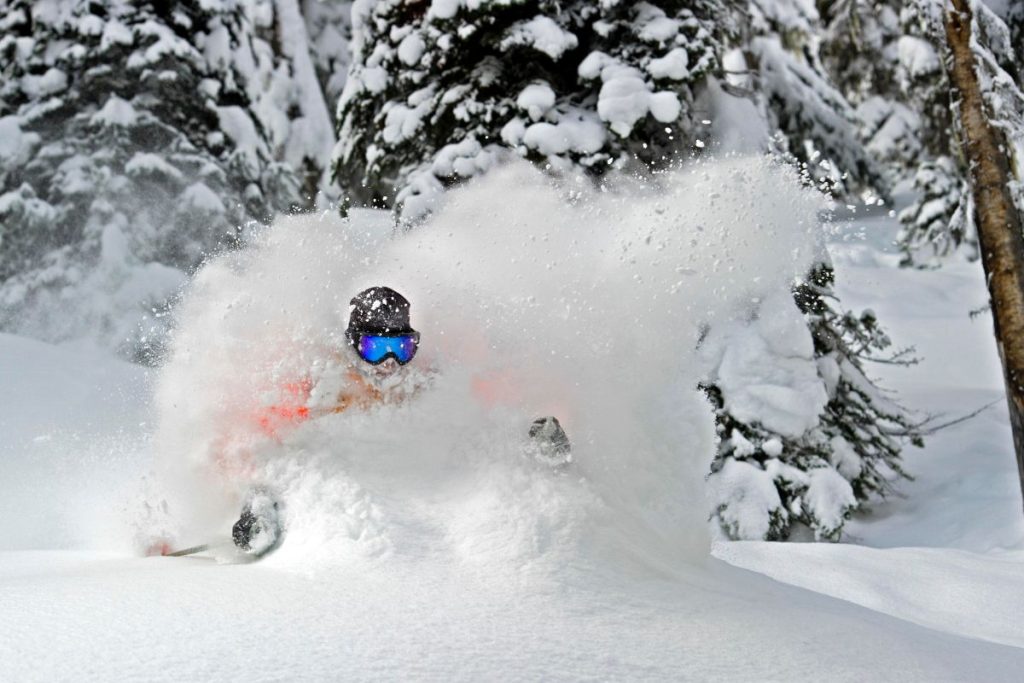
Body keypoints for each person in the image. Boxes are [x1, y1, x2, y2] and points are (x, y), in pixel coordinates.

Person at [230, 285, 572, 555]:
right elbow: (267, 443)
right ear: (352, 344)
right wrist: (257, 497)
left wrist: (522, 437)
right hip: (349, 516)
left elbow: (478, 422)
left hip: (427, 508)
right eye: (375, 349)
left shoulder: (427, 381)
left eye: (403, 348)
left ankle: (542, 460)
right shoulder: (322, 384)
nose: (390, 363)